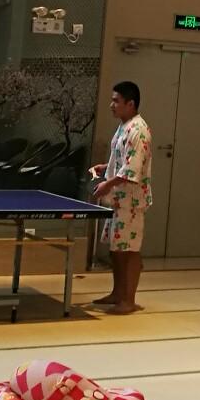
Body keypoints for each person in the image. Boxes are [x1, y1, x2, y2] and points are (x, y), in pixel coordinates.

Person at [89, 80, 152, 316]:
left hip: (131, 202)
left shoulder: (139, 130)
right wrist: (105, 167)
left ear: (130, 103)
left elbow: (132, 169)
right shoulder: (123, 126)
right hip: (118, 200)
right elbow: (123, 159)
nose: (112, 105)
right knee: (117, 248)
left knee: (129, 250)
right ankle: (118, 293)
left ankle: (129, 300)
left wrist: (107, 183)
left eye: (116, 101)